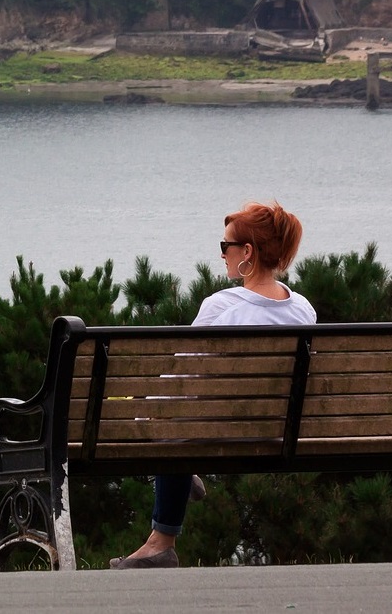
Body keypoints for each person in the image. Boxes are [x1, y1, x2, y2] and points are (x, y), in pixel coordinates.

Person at [109, 201, 317, 570]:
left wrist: (145, 409)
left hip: (216, 432)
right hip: (278, 432)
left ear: (247, 252)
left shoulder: (223, 307)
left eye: (226, 247)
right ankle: (181, 477)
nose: (221, 255)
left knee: (166, 424)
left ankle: (162, 542)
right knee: (178, 424)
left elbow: (183, 379)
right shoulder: (303, 310)